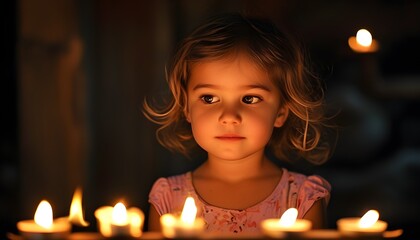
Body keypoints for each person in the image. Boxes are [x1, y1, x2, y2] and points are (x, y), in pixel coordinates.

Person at [143, 13, 335, 233]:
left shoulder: (303, 199)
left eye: (250, 99)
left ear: (281, 112)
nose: (229, 116)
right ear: (187, 108)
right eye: (209, 98)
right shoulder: (167, 198)